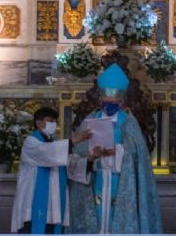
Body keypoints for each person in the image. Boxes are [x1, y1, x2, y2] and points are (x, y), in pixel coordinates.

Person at [67, 63, 162, 234]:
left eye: (114, 102)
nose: (110, 104)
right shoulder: (91, 118)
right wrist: (90, 156)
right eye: (106, 101)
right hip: (96, 177)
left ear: (122, 101)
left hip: (120, 179)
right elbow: (78, 151)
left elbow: (137, 155)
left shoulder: (129, 121)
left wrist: (118, 151)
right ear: (100, 99)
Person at [10, 107, 92, 234]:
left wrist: (92, 158)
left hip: (55, 207)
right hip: (33, 206)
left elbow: (71, 165)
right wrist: (74, 140)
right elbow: (46, 153)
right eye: (50, 121)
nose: (54, 124)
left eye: (55, 121)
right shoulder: (31, 142)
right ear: (38, 123)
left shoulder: (56, 146)